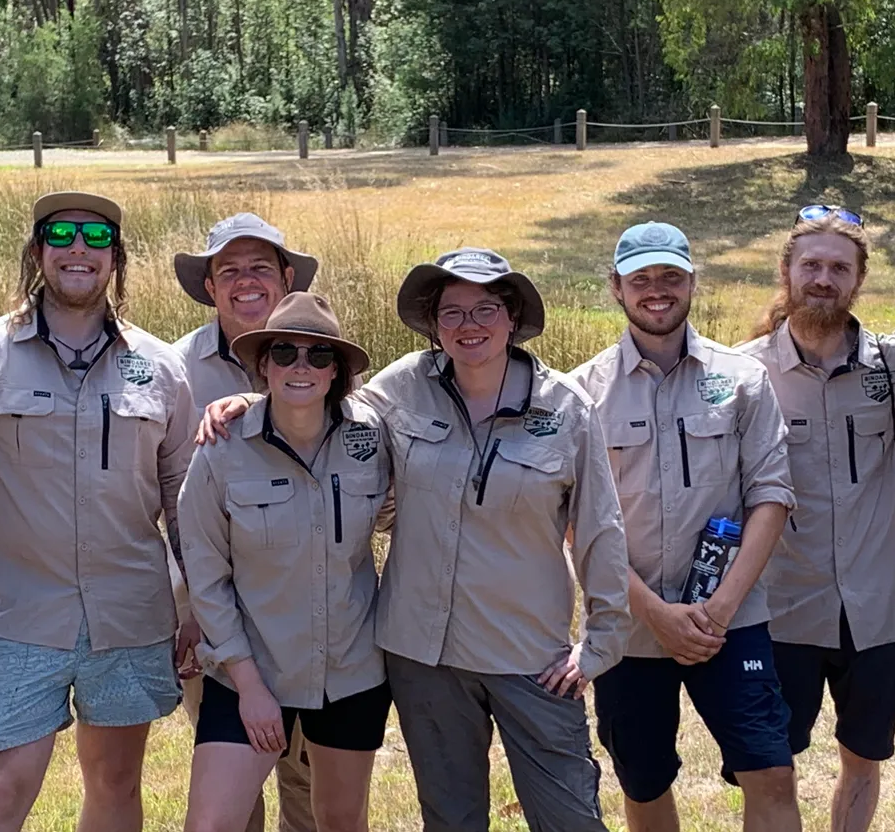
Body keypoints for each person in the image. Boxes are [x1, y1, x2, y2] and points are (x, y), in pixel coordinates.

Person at [200, 247, 632, 832]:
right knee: (450, 821)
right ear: (433, 325)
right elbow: (320, 403)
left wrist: (599, 642)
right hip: (423, 657)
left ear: (511, 317)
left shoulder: (565, 408)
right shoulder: (403, 386)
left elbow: (600, 527)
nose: (468, 326)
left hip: (528, 655)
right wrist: (250, 402)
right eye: (451, 312)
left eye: (484, 310)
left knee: (570, 819)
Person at [0, 192, 196, 831]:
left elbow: (182, 502)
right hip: (17, 618)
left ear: (116, 258)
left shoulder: (159, 366)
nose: (78, 248)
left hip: (130, 617)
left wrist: (201, 608)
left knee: (117, 785)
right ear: (38, 251)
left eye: (96, 238)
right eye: (62, 234)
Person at [570, 222, 800, 832]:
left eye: (670, 276)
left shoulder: (743, 380)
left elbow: (771, 496)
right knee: (643, 782)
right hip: (628, 625)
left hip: (731, 623)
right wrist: (653, 612)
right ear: (616, 288)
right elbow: (578, 524)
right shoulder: (580, 394)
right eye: (640, 279)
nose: (657, 291)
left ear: (692, 281)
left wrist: (719, 610)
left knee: (771, 771)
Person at [736, 207, 895, 832]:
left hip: (874, 611)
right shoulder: (739, 372)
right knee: (771, 767)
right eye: (811, 265)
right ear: (787, 272)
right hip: (778, 609)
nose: (824, 278)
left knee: (863, 760)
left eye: (839, 268)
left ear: (859, 280)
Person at [180, 292, 390, 832]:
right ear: (263, 364)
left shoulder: (375, 434)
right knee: (210, 825)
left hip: (349, 671)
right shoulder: (220, 449)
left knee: (340, 820)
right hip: (251, 670)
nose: (302, 366)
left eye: (318, 356)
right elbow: (207, 578)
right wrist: (249, 687)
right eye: (285, 352)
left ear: (338, 371)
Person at [172, 214, 321, 832]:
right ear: (209, 286)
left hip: (311, 610)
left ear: (287, 277)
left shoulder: (324, 356)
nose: (245, 282)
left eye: (261, 267)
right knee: (232, 774)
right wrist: (181, 607)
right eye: (228, 271)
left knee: (308, 780)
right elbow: (159, 496)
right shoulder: (172, 368)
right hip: (211, 612)